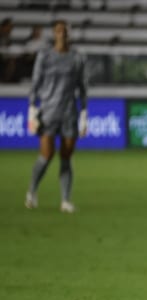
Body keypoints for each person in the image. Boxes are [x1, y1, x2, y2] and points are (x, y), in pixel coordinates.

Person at [25, 20, 88, 213]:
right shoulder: (45, 56)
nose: (62, 34)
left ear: (69, 33)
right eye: (58, 30)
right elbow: (35, 84)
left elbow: (83, 87)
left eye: (65, 30)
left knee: (66, 156)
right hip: (49, 111)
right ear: (54, 33)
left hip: (69, 112)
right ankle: (32, 191)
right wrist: (32, 111)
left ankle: (65, 200)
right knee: (47, 155)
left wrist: (84, 114)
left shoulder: (77, 57)